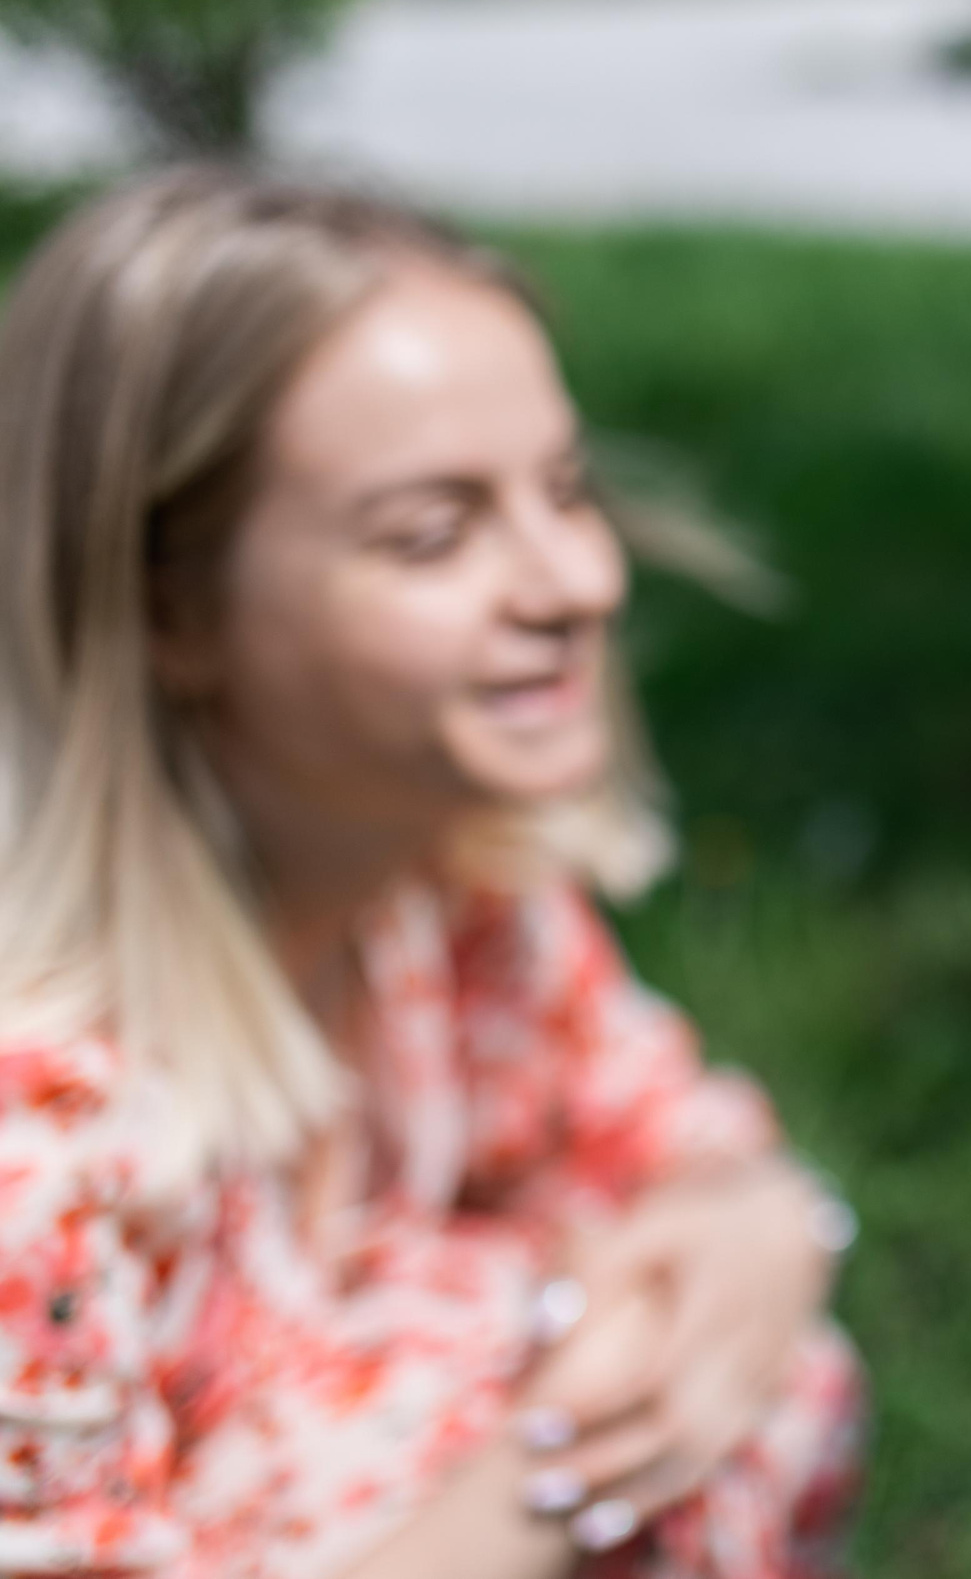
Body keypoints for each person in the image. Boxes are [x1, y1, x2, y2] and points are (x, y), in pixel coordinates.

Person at [0, 169, 861, 1577]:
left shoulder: (449, 896)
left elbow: (694, 1155)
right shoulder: (39, 1146)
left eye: (566, 492)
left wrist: (762, 1235)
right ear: (167, 607)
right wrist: (556, 1469)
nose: (574, 583)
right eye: (433, 534)